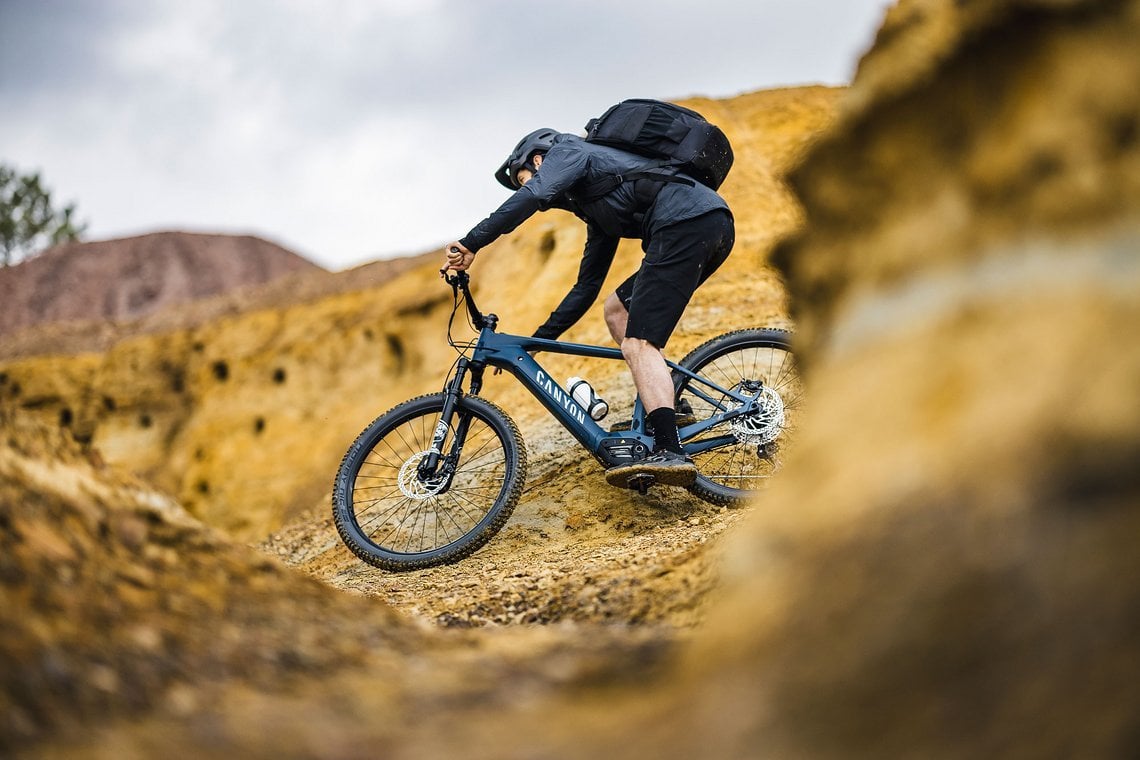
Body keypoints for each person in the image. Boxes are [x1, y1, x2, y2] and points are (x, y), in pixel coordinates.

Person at [444, 127, 734, 487]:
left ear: (538, 160)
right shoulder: (599, 205)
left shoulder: (570, 150)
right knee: (616, 311)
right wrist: (538, 341)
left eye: (522, 180)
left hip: (687, 223)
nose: (525, 188)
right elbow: (586, 288)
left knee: (638, 343)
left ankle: (670, 451)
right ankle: (670, 407)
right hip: (698, 224)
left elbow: (534, 194)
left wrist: (472, 242)